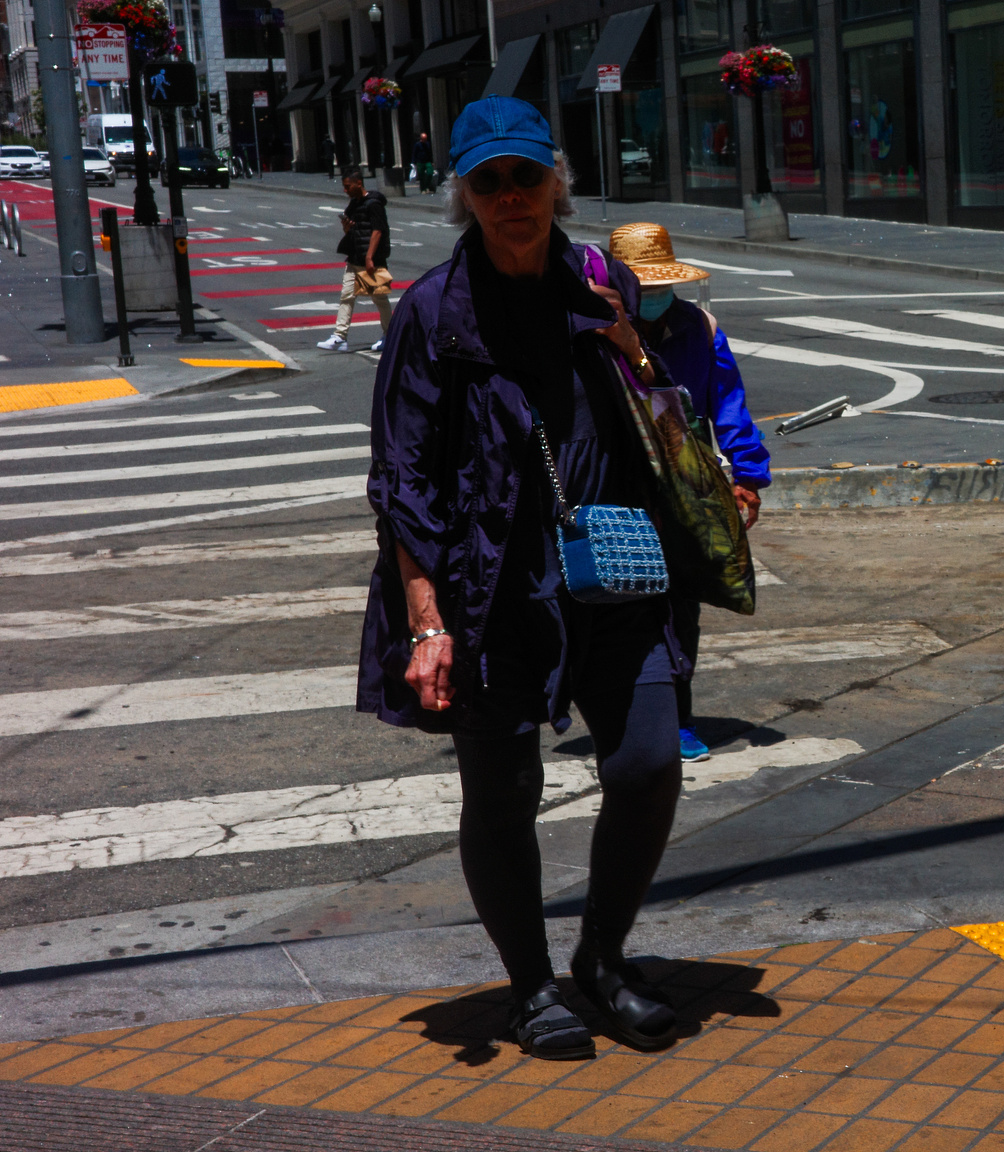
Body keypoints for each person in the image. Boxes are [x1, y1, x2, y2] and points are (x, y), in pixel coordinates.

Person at [358, 95, 687, 1060]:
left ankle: (601, 956)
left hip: (613, 557)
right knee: (502, 793)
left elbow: (666, 404)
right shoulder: (432, 313)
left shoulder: (599, 283)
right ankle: (531, 985)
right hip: (487, 582)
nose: (512, 198)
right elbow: (402, 479)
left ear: (557, 183)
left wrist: (633, 344)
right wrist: (427, 623)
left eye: (526, 177)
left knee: (647, 762)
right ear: (465, 195)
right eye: (489, 182)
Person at [609, 222, 772, 763]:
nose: (654, 296)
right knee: (627, 600)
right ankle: (626, 709)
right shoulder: (594, 329)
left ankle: (678, 717)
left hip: (688, 484)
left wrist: (747, 477)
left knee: (681, 606)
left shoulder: (700, 328)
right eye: (644, 287)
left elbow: (729, 405)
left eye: (661, 285)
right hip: (618, 483)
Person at [318, 167, 395, 354]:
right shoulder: (353, 205)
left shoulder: (374, 204)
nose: (346, 190)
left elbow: (378, 230)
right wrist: (346, 228)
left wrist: (370, 257)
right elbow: (354, 231)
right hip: (354, 257)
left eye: (348, 186)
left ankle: (391, 336)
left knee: (379, 299)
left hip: (371, 261)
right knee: (346, 296)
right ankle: (340, 337)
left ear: (358, 183)